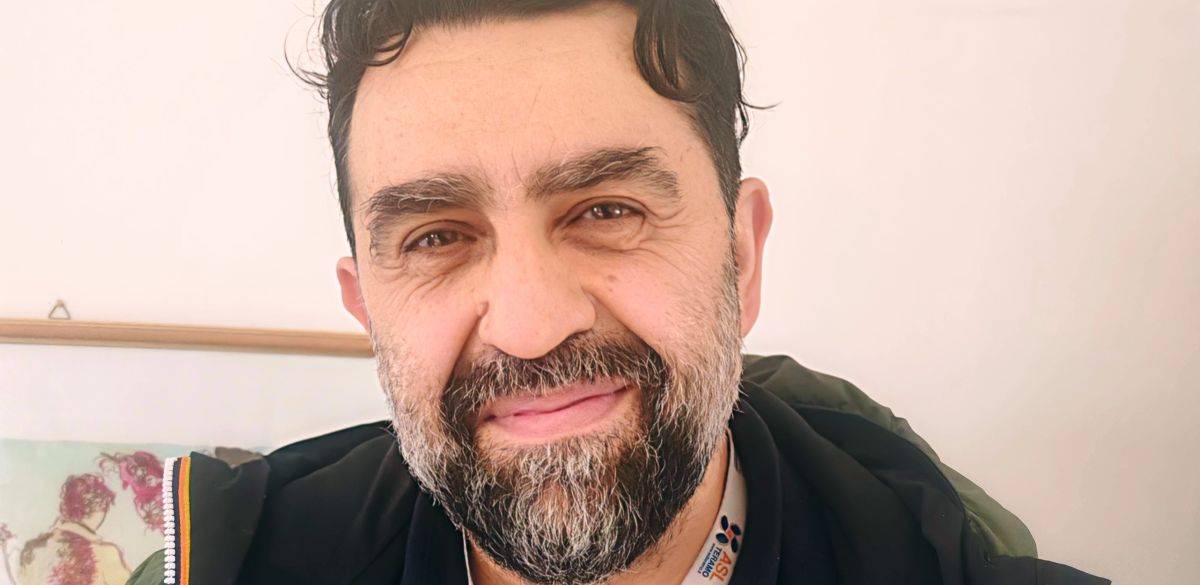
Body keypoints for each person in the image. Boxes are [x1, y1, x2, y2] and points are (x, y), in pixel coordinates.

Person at [130, 1, 1108, 583]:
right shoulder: (229, 562)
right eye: (436, 237)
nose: (529, 325)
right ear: (367, 309)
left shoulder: (948, 561)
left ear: (741, 257)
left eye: (605, 210)